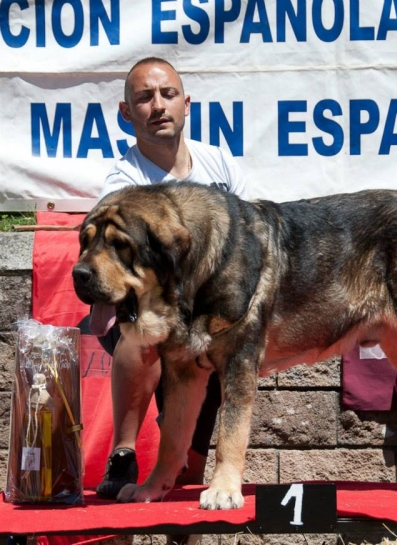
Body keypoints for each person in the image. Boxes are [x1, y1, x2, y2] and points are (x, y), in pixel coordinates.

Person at [88, 57, 247, 501]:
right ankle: (124, 453)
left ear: (186, 104)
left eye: (168, 95)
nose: (158, 106)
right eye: (144, 97)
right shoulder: (122, 184)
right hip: (150, 316)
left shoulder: (219, 162)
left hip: (208, 319)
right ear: (126, 113)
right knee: (144, 333)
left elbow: (246, 247)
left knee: (190, 477)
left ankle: (187, 480)